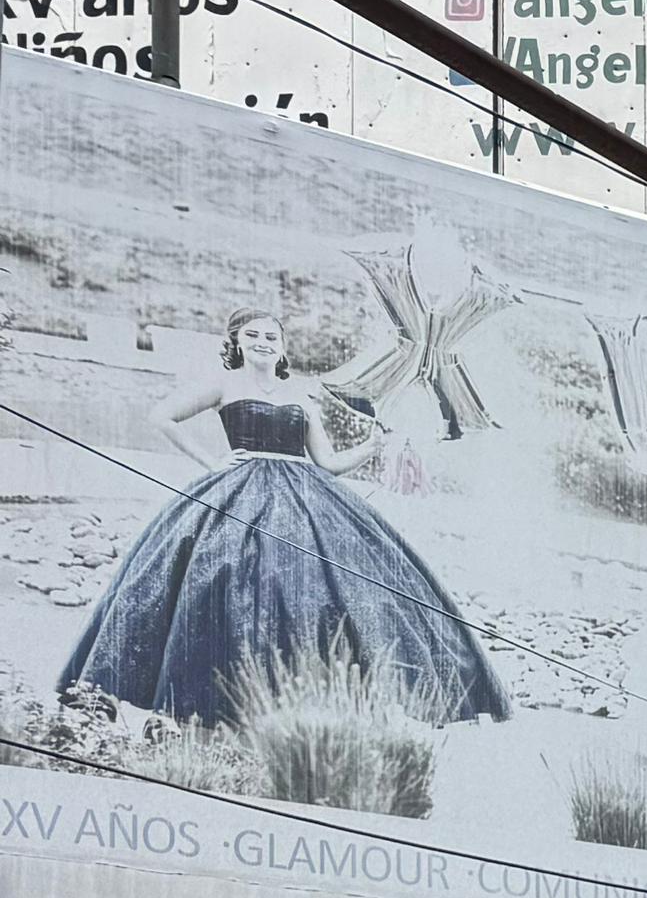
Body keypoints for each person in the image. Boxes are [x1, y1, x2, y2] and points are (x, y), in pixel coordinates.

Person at [61, 306, 509, 731]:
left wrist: (373, 447)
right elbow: (162, 416)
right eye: (252, 335)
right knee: (228, 581)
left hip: (306, 494)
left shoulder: (301, 395)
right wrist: (211, 463)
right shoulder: (223, 383)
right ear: (236, 341)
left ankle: (308, 698)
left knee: (332, 589)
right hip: (240, 491)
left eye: (271, 336)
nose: (262, 342)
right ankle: (211, 703)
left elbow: (327, 464)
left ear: (282, 345)